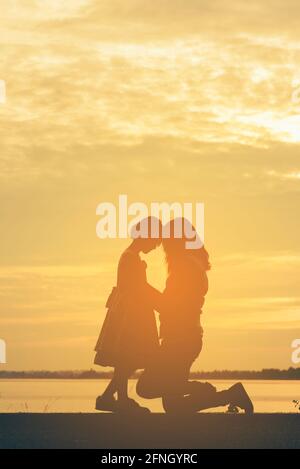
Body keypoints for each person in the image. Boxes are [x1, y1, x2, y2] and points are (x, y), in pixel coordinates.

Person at [137, 218, 254, 414]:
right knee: (174, 406)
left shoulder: (185, 268)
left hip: (179, 341)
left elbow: (170, 306)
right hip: (186, 338)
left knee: (145, 387)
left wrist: (143, 288)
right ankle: (231, 395)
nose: (165, 247)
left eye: (167, 241)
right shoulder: (193, 265)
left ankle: (203, 389)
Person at [94, 216, 161, 413]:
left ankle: (115, 398)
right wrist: (165, 302)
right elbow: (140, 288)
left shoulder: (130, 256)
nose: (156, 246)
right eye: (155, 240)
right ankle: (114, 398)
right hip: (129, 316)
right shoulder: (130, 257)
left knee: (126, 359)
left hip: (129, 313)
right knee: (127, 359)